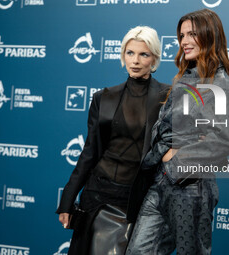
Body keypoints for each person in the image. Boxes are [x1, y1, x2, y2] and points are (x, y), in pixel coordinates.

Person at [126, 9, 229, 255]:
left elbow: (222, 141)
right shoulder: (184, 78)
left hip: (192, 188)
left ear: (211, 36)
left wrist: (173, 161)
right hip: (160, 184)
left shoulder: (221, 85)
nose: (185, 41)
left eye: (192, 34)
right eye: (182, 35)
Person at [56, 26, 169, 255]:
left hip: (137, 201)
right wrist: (68, 199)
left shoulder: (167, 97)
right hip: (97, 196)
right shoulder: (104, 98)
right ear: (122, 55)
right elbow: (90, 152)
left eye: (143, 54)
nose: (135, 61)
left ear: (155, 58)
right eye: (130, 53)